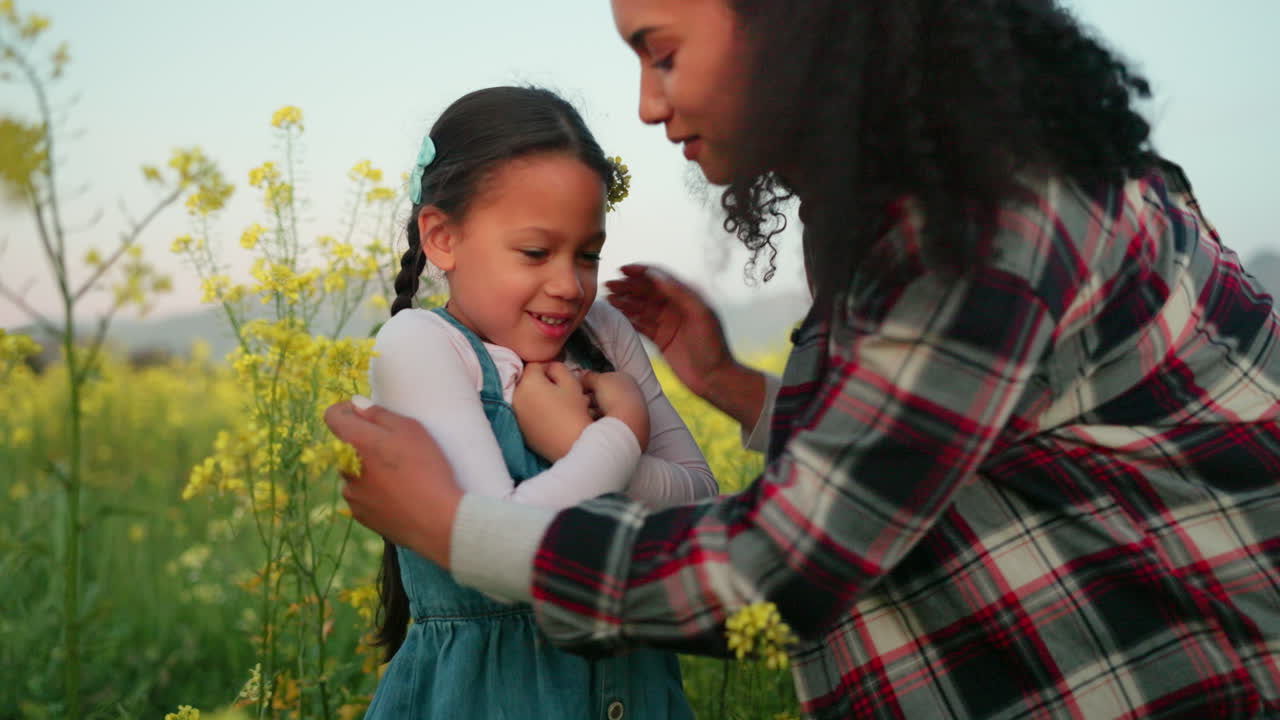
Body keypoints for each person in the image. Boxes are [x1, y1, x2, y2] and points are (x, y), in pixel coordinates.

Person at [328, 2, 1280, 718]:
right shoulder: (918, 204)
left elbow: (779, 568)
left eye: (663, 54)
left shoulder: (989, 221)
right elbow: (929, 449)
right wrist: (731, 384)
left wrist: (460, 529)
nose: (647, 105)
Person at [360, 85, 715, 720]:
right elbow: (502, 551)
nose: (568, 285)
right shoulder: (422, 345)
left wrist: (585, 449)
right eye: (534, 252)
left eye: (587, 255)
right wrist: (611, 437)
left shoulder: (604, 334)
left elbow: (702, 500)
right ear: (442, 238)